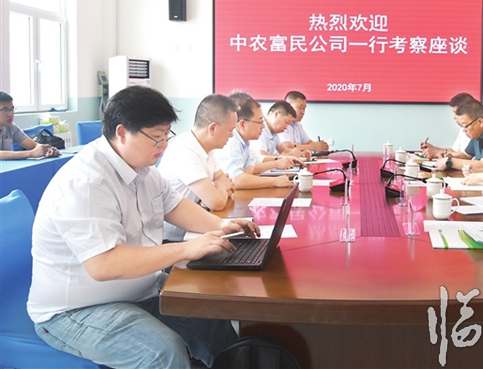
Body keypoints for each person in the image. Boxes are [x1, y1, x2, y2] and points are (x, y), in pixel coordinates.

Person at [27, 86, 260, 368]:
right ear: (122, 132)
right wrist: (187, 248)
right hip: (76, 309)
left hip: (138, 289)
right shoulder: (86, 182)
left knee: (210, 313)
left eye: (167, 136)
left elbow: (175, 206)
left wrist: (223, 225)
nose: (163, 146)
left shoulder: (144, 171)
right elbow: (104, 264)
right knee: (163, 353)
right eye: (156, 137)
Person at [158, 94, 237, 242]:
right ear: (213, 128)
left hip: (196, 228)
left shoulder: (206, 148)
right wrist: (220, 186)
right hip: (174, 239)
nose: (232, 135)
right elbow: (216, 202)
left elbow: (224, 181)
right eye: (230, 130)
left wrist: (219, 186)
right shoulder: (184, 149)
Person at [216, 98, 298, 189]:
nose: (263, 126)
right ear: (243, 124)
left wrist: (244, 176)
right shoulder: (232, 141)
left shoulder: (244, 142)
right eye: (260, 122)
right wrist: (274, 181)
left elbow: (250, 169)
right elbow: (237, 180)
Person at [434, 99, 483, 172]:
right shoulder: (478, 132)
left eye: (465, 126)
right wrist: (451, 157)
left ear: (480, 122)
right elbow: (466, 155)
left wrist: (449, 162)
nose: (464, 130)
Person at [0, 91, 60, 160]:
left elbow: (34, 145)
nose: (10, 114)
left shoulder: (11, 127)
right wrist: (31, 153)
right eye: (5, 110)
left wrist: (47, 150)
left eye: (12, 109)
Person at [420, 93, 475, 159]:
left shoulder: (475, 130)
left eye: (456, 113)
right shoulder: (463, 129)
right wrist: (434, 149)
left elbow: (466, 156)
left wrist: (436, 152)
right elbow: (454, 151)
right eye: (453, 112)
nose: (454, 117)